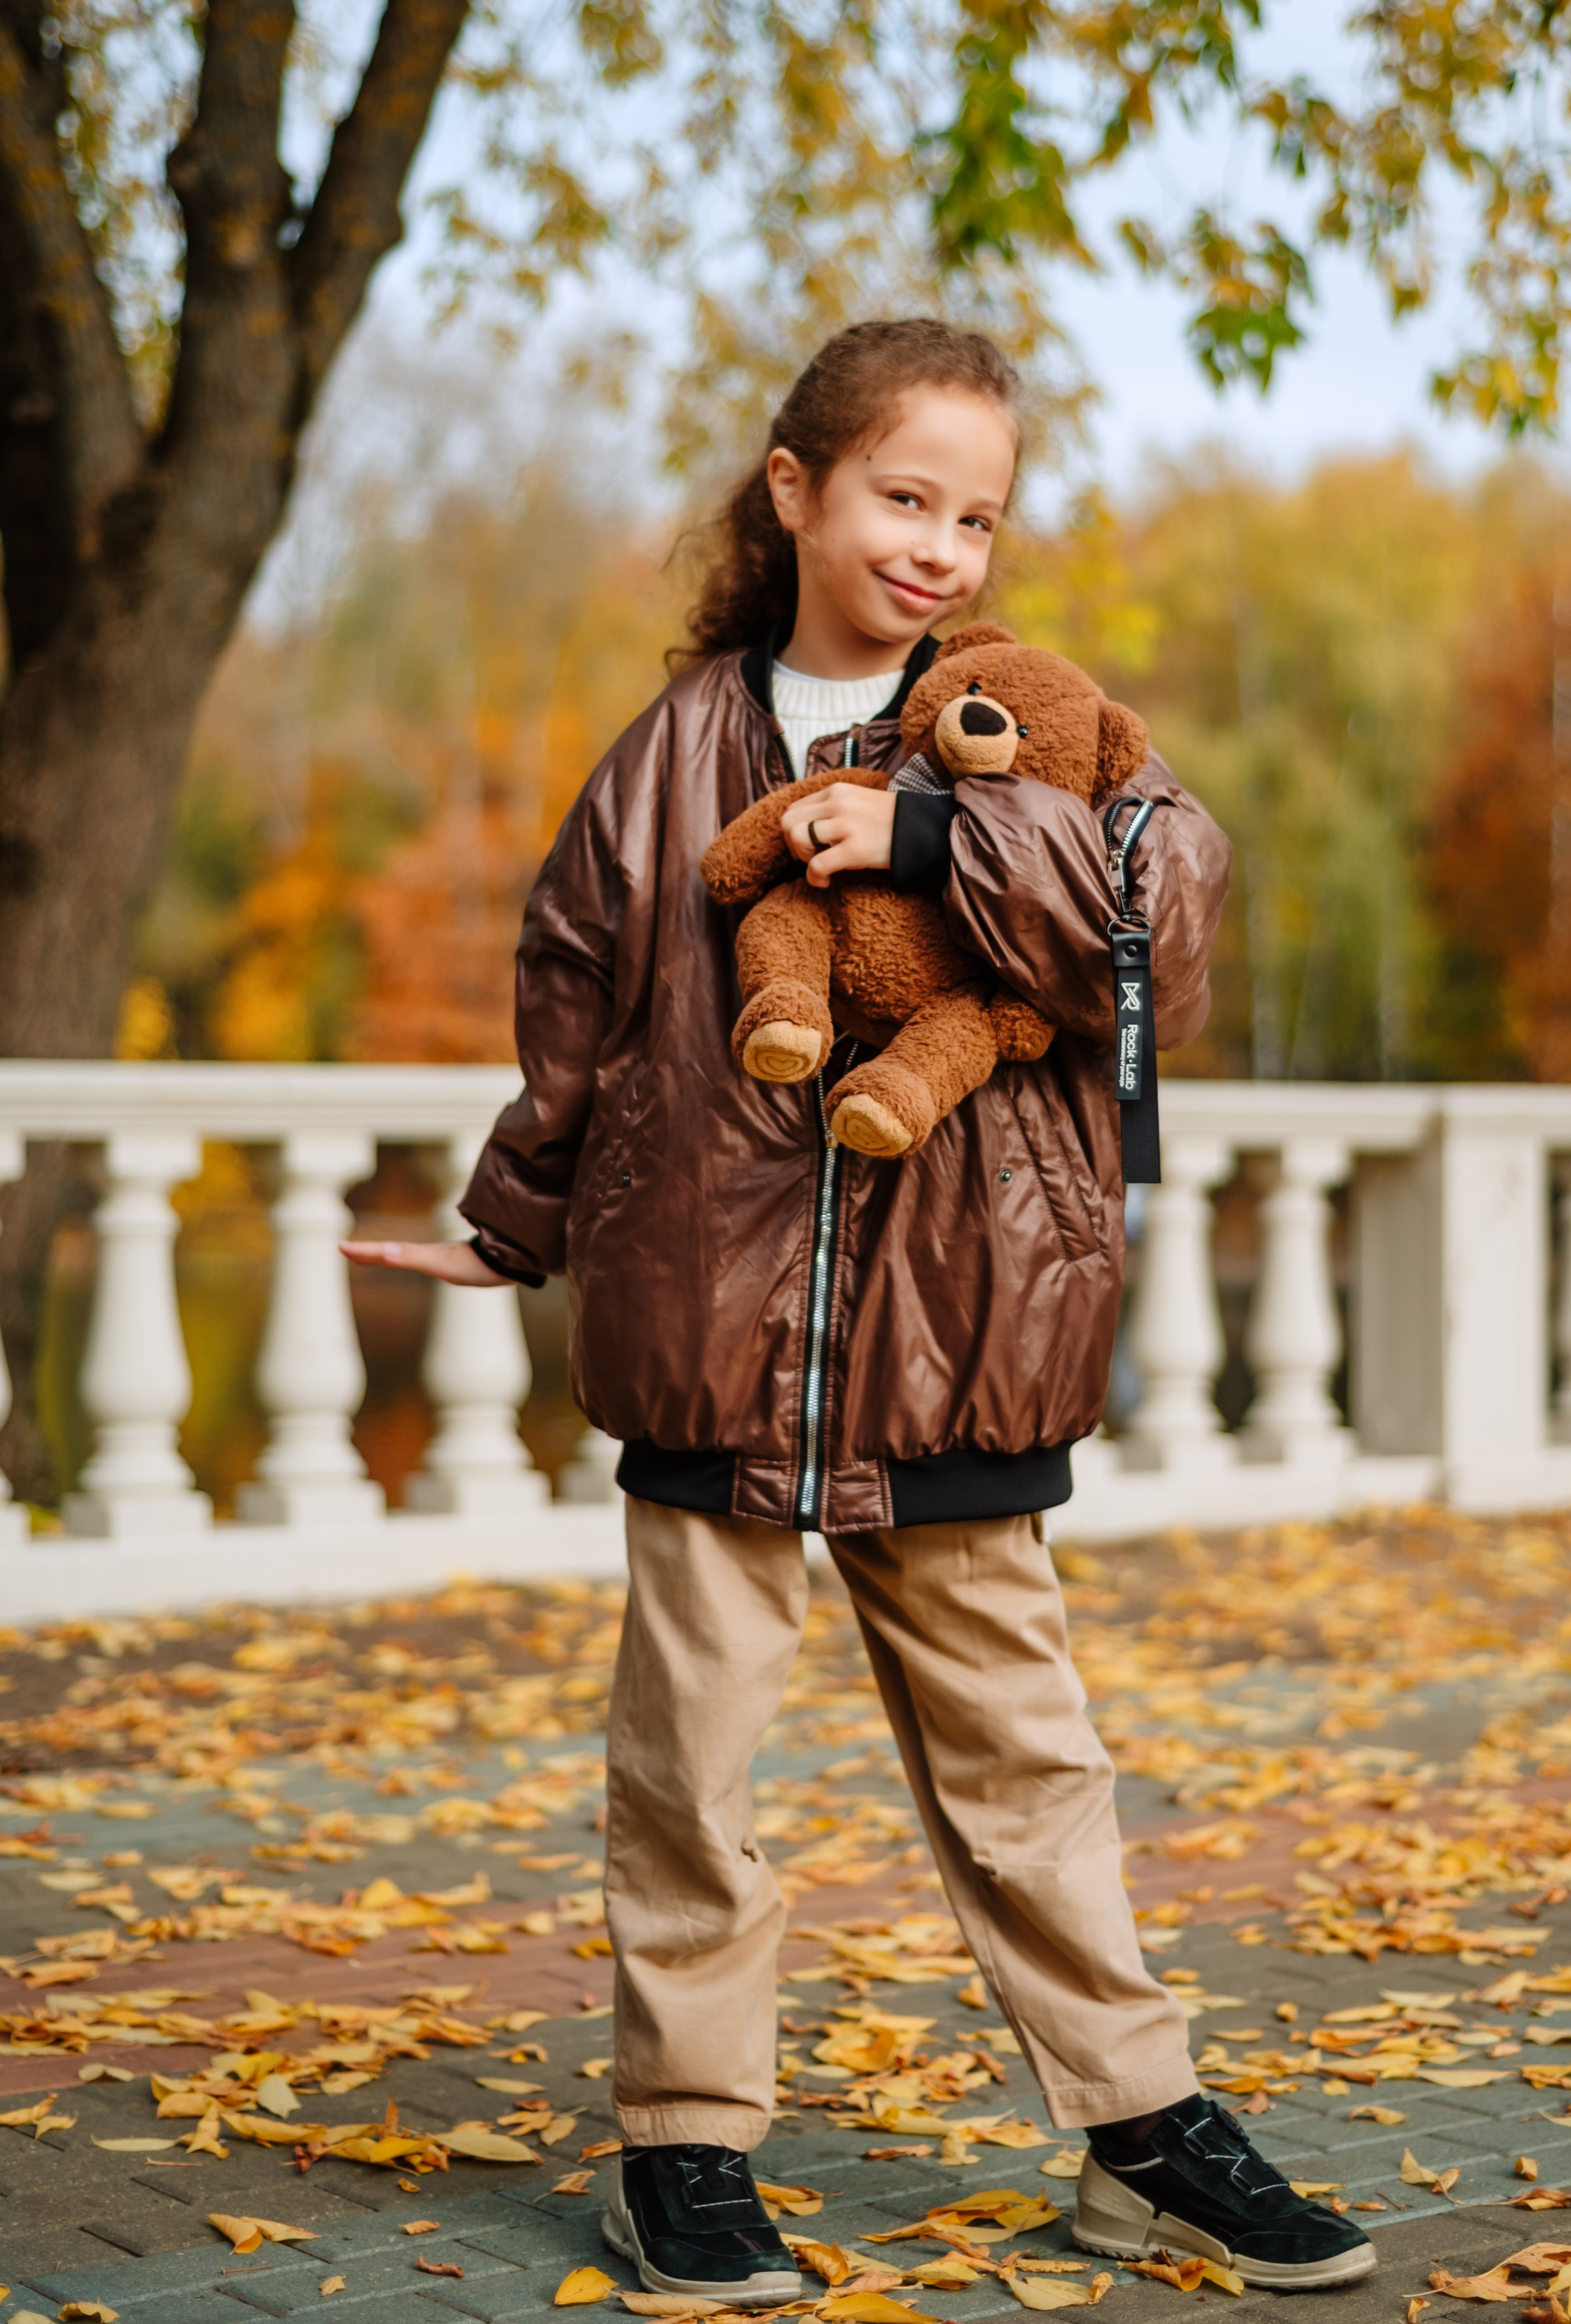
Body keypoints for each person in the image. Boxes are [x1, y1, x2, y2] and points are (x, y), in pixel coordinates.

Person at [342, 320, 1374, 2298]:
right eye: (907, 497)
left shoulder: (1036, 720)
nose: (944, 548)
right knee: (692, 1763)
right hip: (708, 1323)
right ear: (795, 486)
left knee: (1026, 1752)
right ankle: (688, 2147)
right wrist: (515, 1216)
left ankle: (1141, 2127)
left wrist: (936, 834)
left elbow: (1172, 926)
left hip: (963, 1323)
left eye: (977, 515)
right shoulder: (671, 756)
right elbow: (575, 1003)